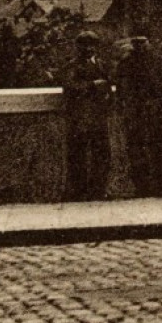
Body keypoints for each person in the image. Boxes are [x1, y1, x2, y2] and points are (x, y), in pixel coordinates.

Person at [59, 31, 114, 201]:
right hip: (80, 117)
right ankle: (78, 191)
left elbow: (109, 85)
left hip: (98, 116)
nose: (89, 49)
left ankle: (99, 190)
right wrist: (92, 86)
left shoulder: (102, 64)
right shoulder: (72, 66)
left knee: (102, 153)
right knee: (78, 154)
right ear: (79, 47)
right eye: (85, 45)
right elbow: (70, 86)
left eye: (92, 45)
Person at [116, 35, 162, 196]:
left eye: (143, 42)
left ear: (148, 43)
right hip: (136, 111)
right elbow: (122, 89)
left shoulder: (156, 61)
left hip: (154, 110)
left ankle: (161, 185)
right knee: (137, 148)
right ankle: (142, 186)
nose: (140, 46)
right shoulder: (126, 63)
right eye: (136, 43)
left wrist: (157, 103)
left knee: (158, 147)